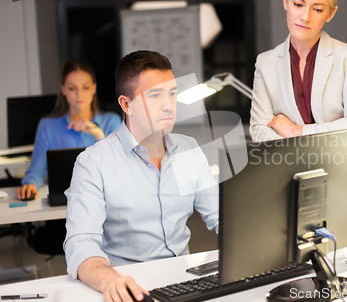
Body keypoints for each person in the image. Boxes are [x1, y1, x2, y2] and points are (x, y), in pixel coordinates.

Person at [64, 51, 219, 302]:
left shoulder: (189, 148)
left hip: (186, 283)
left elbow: (223, 215)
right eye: (155, 95)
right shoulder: (93, 163)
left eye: (172, 93)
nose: (169, 105)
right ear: (126, 105)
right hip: (131, 287)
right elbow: (80, 245)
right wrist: (109, 280)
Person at [250, 0, 347, 142]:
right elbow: (259, 131)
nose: (305, 17)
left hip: (345, 164)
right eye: (298, 5)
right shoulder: (265, 63)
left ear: (330, 13)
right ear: (286, 0)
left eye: (317, 9)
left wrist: (296, 132)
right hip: (292, 167)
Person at [17, 60, 121, 200]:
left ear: (94, 88)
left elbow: (118, 171)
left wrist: (98, 135)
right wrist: (30, 185)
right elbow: (36, 171)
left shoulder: (111, 121)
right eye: (72, 88)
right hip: (61, 203)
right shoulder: (47, 125)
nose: (79, 94)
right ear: (63, 89)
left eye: (85, 87)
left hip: (103, 202)